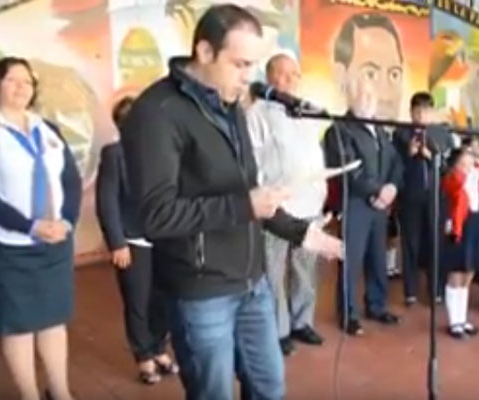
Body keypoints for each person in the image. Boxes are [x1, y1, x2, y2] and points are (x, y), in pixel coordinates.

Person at [118, 5, 341, 400]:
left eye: (252, 65)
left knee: (269, 386)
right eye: (240, 64)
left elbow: (249, 191)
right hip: (200, 290)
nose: (249, 77)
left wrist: (301, 233)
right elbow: (155, 215)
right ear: (205, 52)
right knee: (213, 393)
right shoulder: (156, 113)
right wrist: (244, 206)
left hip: (252, 283)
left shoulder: (230, 105)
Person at [0, 57, 82, 400]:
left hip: (55, 244)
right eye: (12, 80)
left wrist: (67, 221)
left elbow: (70, 180)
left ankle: (59, 391)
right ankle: (29, 395)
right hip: (11, 247)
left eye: (27, 82)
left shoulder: (47, 128)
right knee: (18, 326)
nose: (21, 87)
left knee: (53, 320)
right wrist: (30, 226)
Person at [246, 52, 327, 357]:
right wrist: (263, 197)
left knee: (305, 268)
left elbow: (314, 155)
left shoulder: (306, 110)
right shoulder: (257, 113)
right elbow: (252, 161)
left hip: (310, 205)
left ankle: (301, 322)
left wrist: (321, 191)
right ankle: (278, 330)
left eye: (295, 74)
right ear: (270, 77)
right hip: (278, 209)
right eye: (284, 73)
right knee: (274, 272)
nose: (291, 79)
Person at [96, 96, 178, 384]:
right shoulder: (114, 154)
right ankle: (144, 356)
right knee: (137, 302)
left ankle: (159, 348)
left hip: (166, 239)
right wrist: (116, 242)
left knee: (163, 299)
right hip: (133, 240)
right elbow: (107, 201)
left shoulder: (166, 150)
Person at [323, 78, 403, 336]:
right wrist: (377, 191)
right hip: (355, 204)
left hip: (380, 206)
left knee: (378, 258)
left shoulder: (380, 129)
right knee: (351, 261)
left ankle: (377, 305)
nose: (368, 99)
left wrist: (391, 188)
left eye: (371, 94)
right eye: (362, 94)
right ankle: (348, 314)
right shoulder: (339, 130)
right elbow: (347, 170)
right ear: (350, 97)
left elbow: (395, 162)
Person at [393, 92, 444, 306]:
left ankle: (436, 290)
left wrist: (431, 155)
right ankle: (410, 291)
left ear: (432, 112)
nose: (422, 115)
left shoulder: (440, 133)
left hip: (435, 197)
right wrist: (409, 153)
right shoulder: (400, 134)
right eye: (417, 111)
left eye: (426, 111)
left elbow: (448, 165)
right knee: (410, 243)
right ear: (411, 112)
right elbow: (393, 164)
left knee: (435, 242)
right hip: (410, 197)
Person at [442, 148, 479, 339]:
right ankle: (454, 321)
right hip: (459, 228)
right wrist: (469, 177)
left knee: (468, 273)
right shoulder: (452, 179)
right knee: (456, 273)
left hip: (474, 225)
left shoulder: (476, 180)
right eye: (463, 164)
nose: (468, 168)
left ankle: (462, 318)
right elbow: (455, 187)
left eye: (471, 164)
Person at [333, 12, 404, 120]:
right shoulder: (337, 130)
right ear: (341, 76)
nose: (385, 93)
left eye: (394, 75)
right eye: (370, 74)